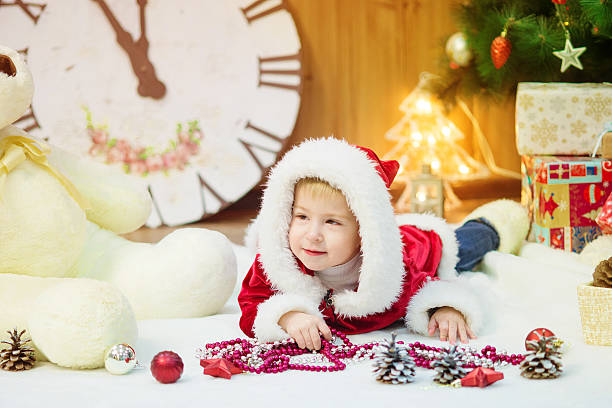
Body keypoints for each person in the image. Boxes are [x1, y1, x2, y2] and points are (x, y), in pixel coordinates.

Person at [238, 138, 529, 350]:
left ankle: (491, 223)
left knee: (466, 246)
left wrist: (444, 308)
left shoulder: (393, 274)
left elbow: (430, 286)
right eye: (301, 216)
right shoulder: (278, 263)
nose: (312, 234)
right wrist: (288, 316)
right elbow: (252, 301)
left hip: (421, 245)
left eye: (332, 222)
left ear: (365, 231)